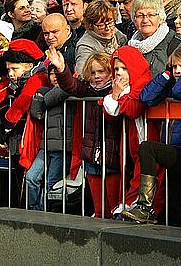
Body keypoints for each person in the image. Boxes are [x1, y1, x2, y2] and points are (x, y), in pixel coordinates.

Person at [123, 45, 181, 225]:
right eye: (174, 66)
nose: (177, 71)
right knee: (176, 209)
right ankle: (145, 208)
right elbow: (146, 97)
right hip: (176, 152)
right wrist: (166, 74)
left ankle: (145, 206)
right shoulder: (171, 85)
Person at [51, 51, 120, 218]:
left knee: (114, 207)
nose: (96, 76)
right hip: (91, 154)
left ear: (111, 71)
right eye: (93, 72)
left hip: (112, 155)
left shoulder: (118, 90)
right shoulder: (88, 89)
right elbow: (71, 85)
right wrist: (61, 69)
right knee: (99, 210)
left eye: (101, 71)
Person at [0, 39, 50, 207]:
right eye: (8, 69)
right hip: (19, 138)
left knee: (30, 179)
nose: (10, 73)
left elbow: (22, 102)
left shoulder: (38, 78)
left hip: (35, 136)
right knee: (17, 180)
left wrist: (5, 125)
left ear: (28, 65)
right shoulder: (12, 81)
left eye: (14, 69)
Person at [101, 45, 152, 218]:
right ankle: (126, 204)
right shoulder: (122, 88)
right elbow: (110, 114)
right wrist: (116, 95)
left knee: (142, 170)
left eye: (124, 68)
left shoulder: (143, 83)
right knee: (129, 169)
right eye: (116, 69)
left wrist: (118, 95)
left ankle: (135, 205)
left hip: (144, 137)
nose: (119, 73)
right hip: (129, 139)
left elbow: (132, 109)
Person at [27, 65, 72, 211]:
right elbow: (37, 113)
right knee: (31, 177)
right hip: (46, 145)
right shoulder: (47, 92)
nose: (54, 77)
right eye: (51, 74)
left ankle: (45, 214)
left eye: (57, 73)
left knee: (51, 183)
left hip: (62, 145)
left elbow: (62, 91)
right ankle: (35, 209)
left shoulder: (69, 89)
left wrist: (43, 96)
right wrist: (39, 94)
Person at [128, 0, 181, 76]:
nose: (145, 20)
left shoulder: (177, 45)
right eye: (140, 16)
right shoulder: (130, 46)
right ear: (134, 19)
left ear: (160, 17)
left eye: (151, 15)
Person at [75, 0, 127, 75]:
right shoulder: (85, 46)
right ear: (90, 25)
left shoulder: (116, 33)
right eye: (101, 25)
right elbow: (81, 74)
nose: (107, 28)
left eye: (110, 22)